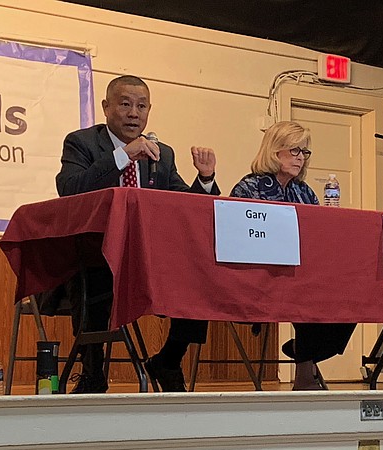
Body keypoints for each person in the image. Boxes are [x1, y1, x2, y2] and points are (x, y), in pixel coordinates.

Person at [56, 75, 221, 393]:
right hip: (99, 252)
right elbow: (69, 189)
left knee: (198, 279)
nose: (134, 113)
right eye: (125, 104)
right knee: (92, 279)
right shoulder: (83, 143)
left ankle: (168, 361)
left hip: (151, 257)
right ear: (106, 107)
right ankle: (92, 372)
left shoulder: (162, 153)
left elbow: (186, 206)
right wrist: (123, 156)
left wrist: (206, 179)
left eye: (141, 106)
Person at [230, 121, 356, 390]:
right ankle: (304, 368)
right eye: (294, 150)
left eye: (304, 152)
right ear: (274, 151)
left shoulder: (304, 191)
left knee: (350, 289)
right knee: (306, 289)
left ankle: (303, 353)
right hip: (260, 277)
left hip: (300, 275)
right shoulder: (249, 189)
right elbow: (239, 242)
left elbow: (319, 240)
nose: (300, 157)